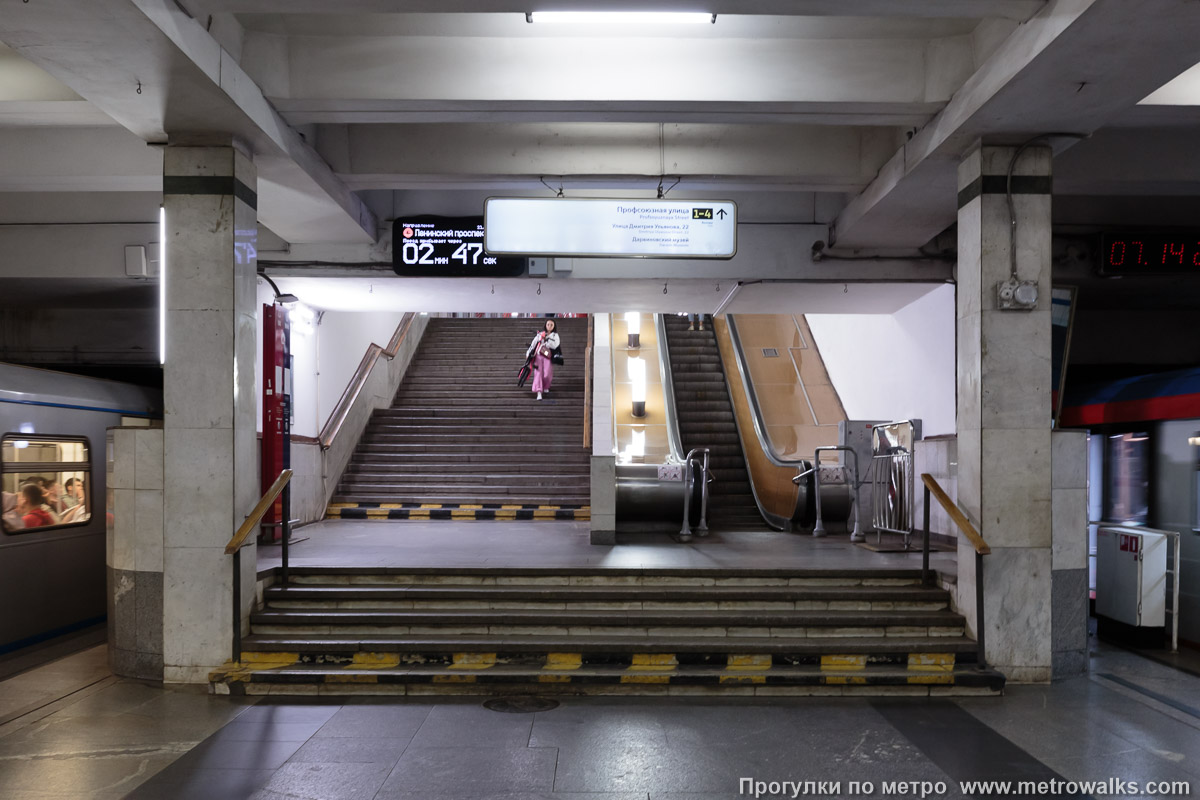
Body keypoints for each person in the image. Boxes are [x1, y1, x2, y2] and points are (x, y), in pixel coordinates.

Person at [525, 318, 560, 401]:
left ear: (554, 326)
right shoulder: (540, 334)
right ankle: (539, 392)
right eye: (548, 324)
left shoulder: (555, 335)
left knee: (547, 373)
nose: (549, 326)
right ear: (545, 325)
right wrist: (528, 353)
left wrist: (547, 341)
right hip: (538, 356)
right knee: (538, 373)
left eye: (551, 325)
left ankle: (546, 386)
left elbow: (555, 345)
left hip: (548, 356)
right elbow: (533, 344)